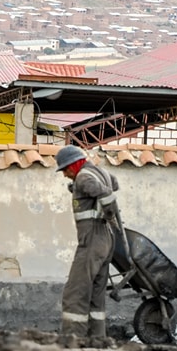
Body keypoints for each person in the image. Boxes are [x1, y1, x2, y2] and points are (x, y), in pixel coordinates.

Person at [55, 144, 122, 339]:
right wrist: (76, 187)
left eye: (66, 170)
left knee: (75, 293)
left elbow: (107, 195)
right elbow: (113, 184)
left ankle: (73, 338)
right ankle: (97, 339)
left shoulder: (84, 176)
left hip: (92, 241)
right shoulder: (98, 172)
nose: (65, 174)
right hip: (106, 241)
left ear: (75, 164)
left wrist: (109, 213)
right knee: (96, 295)